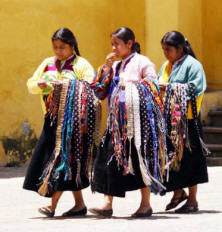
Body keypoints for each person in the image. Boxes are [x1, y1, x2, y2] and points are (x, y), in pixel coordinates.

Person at [89, 27, 167, 218]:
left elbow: (153, 86)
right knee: (109, 160)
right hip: (115, 124)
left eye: (117, 44)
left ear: (130, 44)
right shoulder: (114, 65)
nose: (114, 48)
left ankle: (145, 204)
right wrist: (105, 69)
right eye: (112, 44)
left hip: (138, 125)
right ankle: (107, 203)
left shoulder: (143, 62)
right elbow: (99, 92)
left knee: (140, 160)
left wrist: (131, 85)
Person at [23, 27, 95, 217]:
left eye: (62, 47)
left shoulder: (81, 65)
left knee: (62, 161)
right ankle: (79, 205)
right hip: (52, 120)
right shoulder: (48, 64)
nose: (58, 51)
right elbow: (31, 83)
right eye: (55, 47)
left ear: (72, 46)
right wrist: (38, 85)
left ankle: (52, 206)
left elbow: (90, 85)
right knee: (68, 164)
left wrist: (64, 85)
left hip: (73, 124)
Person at [158, 31, 208, 213]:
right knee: (173, 158)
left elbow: (196, 88)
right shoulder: (166, 66)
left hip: (187, 119)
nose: (165, 53)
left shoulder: (193, 65)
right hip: (169, 119)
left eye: (168, 49)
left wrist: (169, 88)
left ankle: (193, 199)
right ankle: (178, 192)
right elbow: (158, 85)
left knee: (191, 159)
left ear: (180, 49)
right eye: (163, 49)